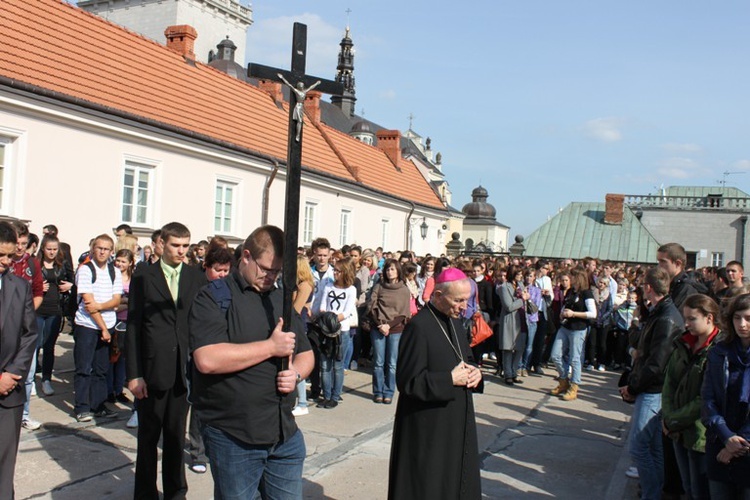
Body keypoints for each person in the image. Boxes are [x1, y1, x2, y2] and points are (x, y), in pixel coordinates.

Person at [188, 225, 314, 499]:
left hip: (283, 435)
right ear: (246, 256)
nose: (271, 277)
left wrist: (296, 374)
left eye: (277, 272)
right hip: (234, 436)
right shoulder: (213, 297)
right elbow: (207, 359)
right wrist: (270, 347)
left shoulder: (280, 299)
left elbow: (305, 353)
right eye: (266, 269)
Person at [126, 222, 207, 499]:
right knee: (148, 437)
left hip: (183, 371)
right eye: (176, 245)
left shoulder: (196, 277)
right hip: (152, 369)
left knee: (175, 437)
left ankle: (176, 492)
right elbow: (135, 325)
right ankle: (146, 492)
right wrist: (134, 374)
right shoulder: (144, 276)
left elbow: (199, 323)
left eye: (186, 246)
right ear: (162, 243)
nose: (181, 251)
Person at [388, 268, 482, 500]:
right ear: (438, 295)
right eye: (458, 300)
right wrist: (449, 379)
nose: (464, 306)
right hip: (427, 428)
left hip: (456, 422)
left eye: (467, 300)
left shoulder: (454, 321)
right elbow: (408, 381)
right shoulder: (419, 327)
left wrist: (476, 373)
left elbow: (466, 359)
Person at [619, 267, 684, 500]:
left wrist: (634, 387)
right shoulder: (660, 312)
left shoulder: (666, 316)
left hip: (653, 391)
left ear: (648, 287)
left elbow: (656, 363)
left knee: (639, 447)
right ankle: (653, 493)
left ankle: (651, 494)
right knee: (654, 447)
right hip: (652, 388)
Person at [662, 294, 722, 500]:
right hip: (677, 430)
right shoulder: (684, 343)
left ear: (709, 318)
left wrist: (674, 419)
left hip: (700, 434)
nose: (686, 323)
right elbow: (669, 382)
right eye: (685, 318)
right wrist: (669, 416)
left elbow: (705, 396)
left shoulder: (718, 350)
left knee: (700, 492)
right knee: (687, 487)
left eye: (692, 319)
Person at [186, 243, 233, 474]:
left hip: (221, 351)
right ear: (206, 267)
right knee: (198, 403)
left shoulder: (228, 289)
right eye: (218, 270)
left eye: (226, 271)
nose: (222, 275)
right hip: (195, 351)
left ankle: (214, 448)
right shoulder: (195, 287)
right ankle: (197, 452)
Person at [0, 221, 37, 499]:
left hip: (8, 391)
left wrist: (12, 374)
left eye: (11, 256)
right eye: (1, 255)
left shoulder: (20, 287)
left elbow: (29, 335)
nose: (7, 262)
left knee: (3, 465)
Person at [701, 293, 750, 498]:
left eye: (748, 318)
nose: (742, 324)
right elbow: (708, 399)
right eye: (737, 318)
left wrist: (738, 444)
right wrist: (726, 436)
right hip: (719, 440)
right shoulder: (720, 352)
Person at [73, 234, 122, 423]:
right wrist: (103, 328)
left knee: (101, 369)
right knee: (84, 367)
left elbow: (116, 300)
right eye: (99, 248)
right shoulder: (85, 270)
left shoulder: (114, 272)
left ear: (111, 251)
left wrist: (101, 307)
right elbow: (88, 302)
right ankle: (82, 407)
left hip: (108, 323)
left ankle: (98, 404)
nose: (102, 252)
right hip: (88, 325)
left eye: (106, 249)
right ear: (94, 249)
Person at [550, 267, 596, 401]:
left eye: (573, 277)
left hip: (578, 328)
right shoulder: (570, 291)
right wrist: (562, 312)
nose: (570, 279)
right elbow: (566, 304)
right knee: (555, 355)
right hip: (565, 326)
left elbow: (593, 313)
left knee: (575, 358)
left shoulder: (586, 293)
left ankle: (574, 385)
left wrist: (574, 314)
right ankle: (563, 380)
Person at [36, 235, 74, 397]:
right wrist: (36, 286)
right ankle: (30, 379)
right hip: (38, 308)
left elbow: (72, 280)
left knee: (49, 345)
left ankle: (46, 379)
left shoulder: (62, 264)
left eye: (54, 249)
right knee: (36, 344)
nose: (52, 252)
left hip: (56, 308)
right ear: (43, 249)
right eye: (49, 249)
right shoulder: (35, 264)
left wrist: (70, 286)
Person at [368, 259, 411, 404]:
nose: (389, 272)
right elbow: (371, 306)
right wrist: (380, 324)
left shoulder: (404, 289)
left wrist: (389, 325)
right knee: (378, 362)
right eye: (387, 269)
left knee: (392, 363)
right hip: (378, 326)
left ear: (398, 271)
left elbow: (404, 312)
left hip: (396, 329)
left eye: (392, 269)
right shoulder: (379, 286)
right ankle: (378, 391)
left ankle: (389, 391)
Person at [318, 256, 357, 409]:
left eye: (338, 271)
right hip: (326, 330)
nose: (335, 273)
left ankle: (335, 395)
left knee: (338, 365)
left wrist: (334, 320)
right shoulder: (328, 287)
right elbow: (322, 306)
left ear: (345, 272)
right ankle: (326, 395)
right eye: (334, 270)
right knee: (325, 364)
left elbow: (347, 312)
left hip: (342, 331)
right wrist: (328, 319)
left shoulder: (351, 290)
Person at [497, 265, 529, 385]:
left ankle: (514, 372)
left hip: (521, 319)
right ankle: (508, 374)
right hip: (510, 320)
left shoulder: (521, 285)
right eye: (518, 274)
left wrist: (526, 298)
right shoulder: (504, 287)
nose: (520, 276)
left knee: (519, 348)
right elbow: (509, 306)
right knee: (508, 349)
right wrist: (522, 299)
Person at [291, 254, 315, 417]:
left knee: (296, 364)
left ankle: (302, 402)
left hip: (298, 325)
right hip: (296, 323)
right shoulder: (299, 284)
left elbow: (296, 309)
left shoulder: (304, 285)